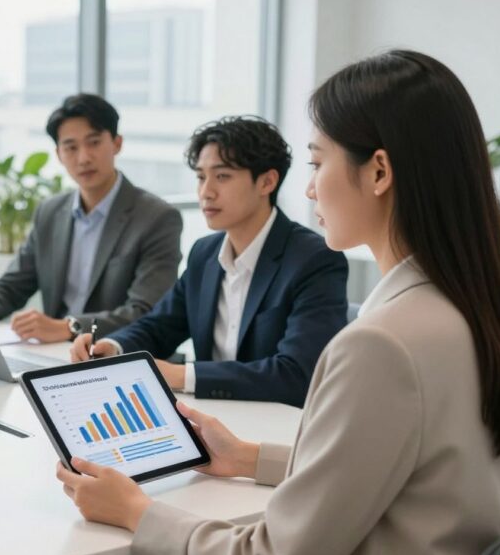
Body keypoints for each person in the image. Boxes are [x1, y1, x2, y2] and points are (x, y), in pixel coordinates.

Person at [56, 50, 500, 555]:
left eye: (316, 163)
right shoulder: (477, 310)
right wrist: (248, 457)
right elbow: (394, 470)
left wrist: (138, 511)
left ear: (379, 171)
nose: (309, 187)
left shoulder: (381, 346)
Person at [71, 116, 348, 407]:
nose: (206, 192)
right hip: (210, 418)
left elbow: (296, 374)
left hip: (275, 430)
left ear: (267, 181)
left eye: (223, 176)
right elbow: (160, 326)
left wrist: (181, 376)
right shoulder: (205, 253)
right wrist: (114, 347)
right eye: (201, 177)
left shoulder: (314, 259)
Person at [0, 93, 183, 343]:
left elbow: (145, 311)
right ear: (59, 154)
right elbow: (15, 283)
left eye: (94, 142)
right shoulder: (50, 212)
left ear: (117, 143)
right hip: (53, 353)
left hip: (115, 357)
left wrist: (70, 327)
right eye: (71, 147)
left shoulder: (157, 218)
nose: (83, 157)